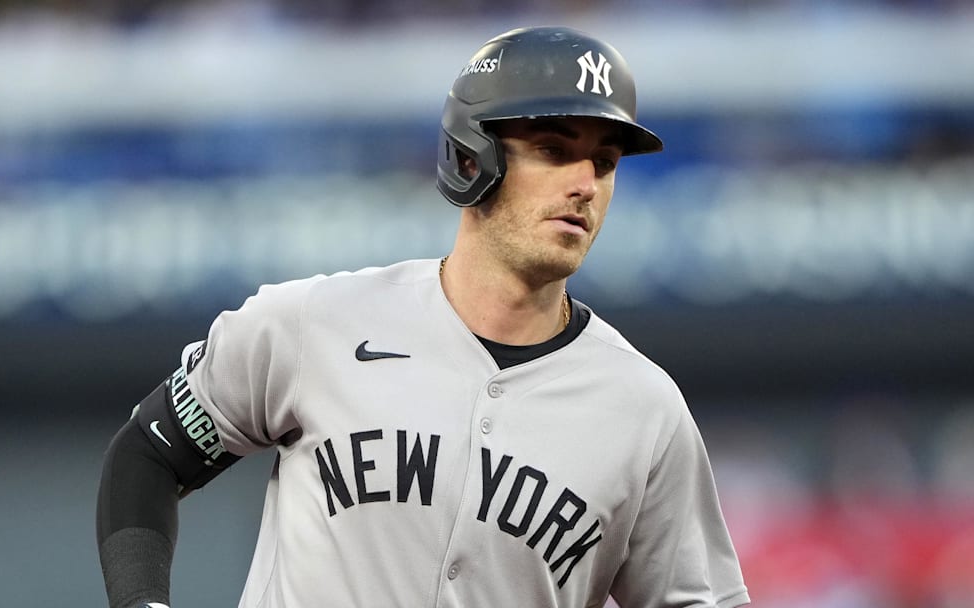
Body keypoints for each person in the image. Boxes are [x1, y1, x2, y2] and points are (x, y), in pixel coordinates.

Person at [96, 25, 751, 608]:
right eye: (553, 150)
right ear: (472, 158)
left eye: (604, 163)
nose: (586, 183)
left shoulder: (643, 410)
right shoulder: (315, 323)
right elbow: (148, 454)